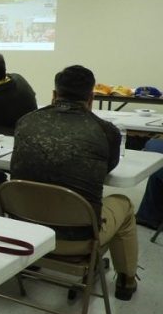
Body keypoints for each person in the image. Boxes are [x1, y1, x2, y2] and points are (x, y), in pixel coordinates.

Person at [11, 65, 139, 301]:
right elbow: (104, 170)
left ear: (53, 94)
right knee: (124, 204)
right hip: (77, 239)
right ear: (91, 97)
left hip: (26, 230)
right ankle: (126, 281)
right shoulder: (106, 131)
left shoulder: (26, 121)